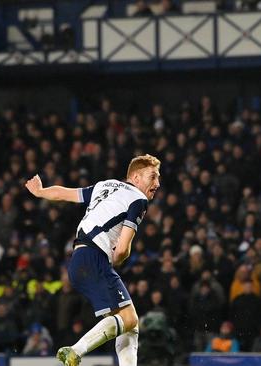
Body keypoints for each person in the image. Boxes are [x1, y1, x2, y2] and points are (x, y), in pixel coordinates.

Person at [25, 154, 161, 366]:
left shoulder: (105, 186)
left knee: (129, 324)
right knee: (130, 319)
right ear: (135, 177)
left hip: (78, 260)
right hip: (95, 258)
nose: (157, 183)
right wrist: (119, 257)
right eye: (152, 177)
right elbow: (123, 249)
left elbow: (64, 194)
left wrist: (41, 191)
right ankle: (75, 351)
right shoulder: (138, 200)